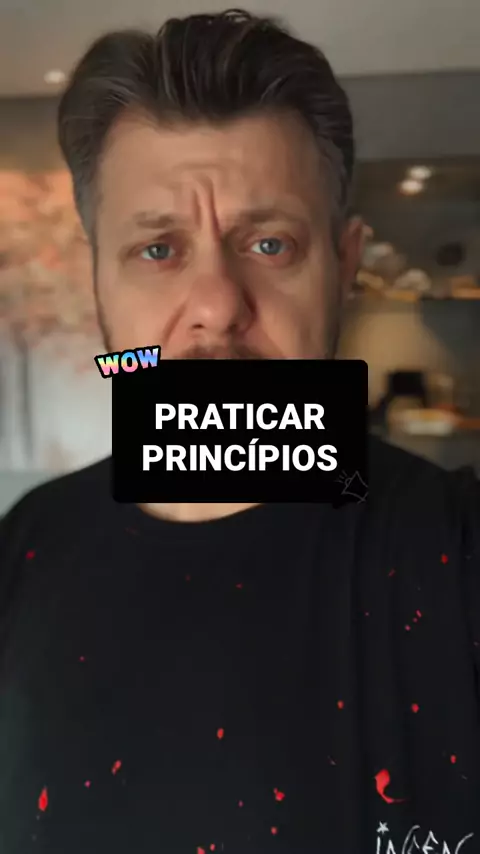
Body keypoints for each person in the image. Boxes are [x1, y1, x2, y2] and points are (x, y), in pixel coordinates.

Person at [0, 9, 479, 854]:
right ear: (97, 279)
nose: (218, 306)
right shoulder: (23, 550)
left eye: (269, 243)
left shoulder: (455, 548)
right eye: (158, 250)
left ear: (345, 263)